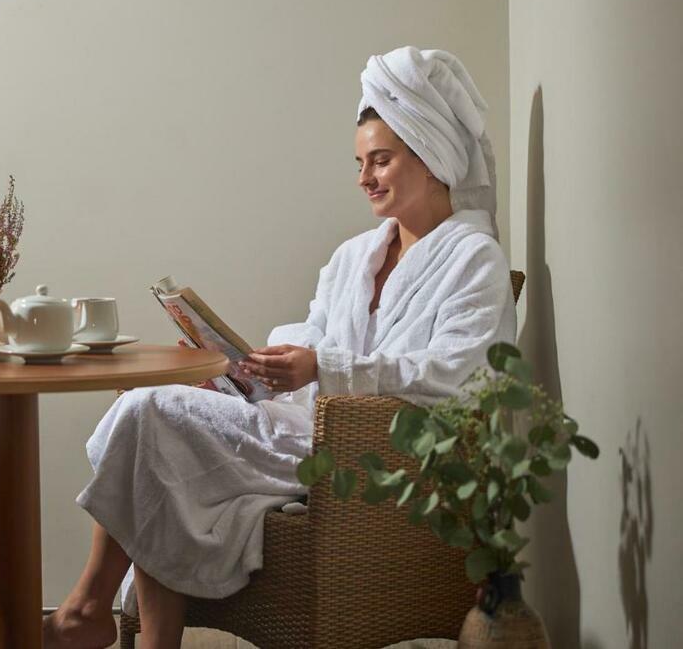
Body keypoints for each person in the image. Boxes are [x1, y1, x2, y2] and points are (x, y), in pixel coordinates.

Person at [43, 46, 517, 649]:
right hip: (300, 424)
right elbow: (314, 336)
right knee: (152, 416)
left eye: (381, 160)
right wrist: (245, 373)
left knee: (148, 416)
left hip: (372, 451)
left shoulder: (474, 259)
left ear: (432, 156)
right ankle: (114, 622)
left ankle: (87, 608)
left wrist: (323, 367)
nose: (364, 178)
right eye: (360, 163)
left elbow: (464, 375)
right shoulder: (354, 257)